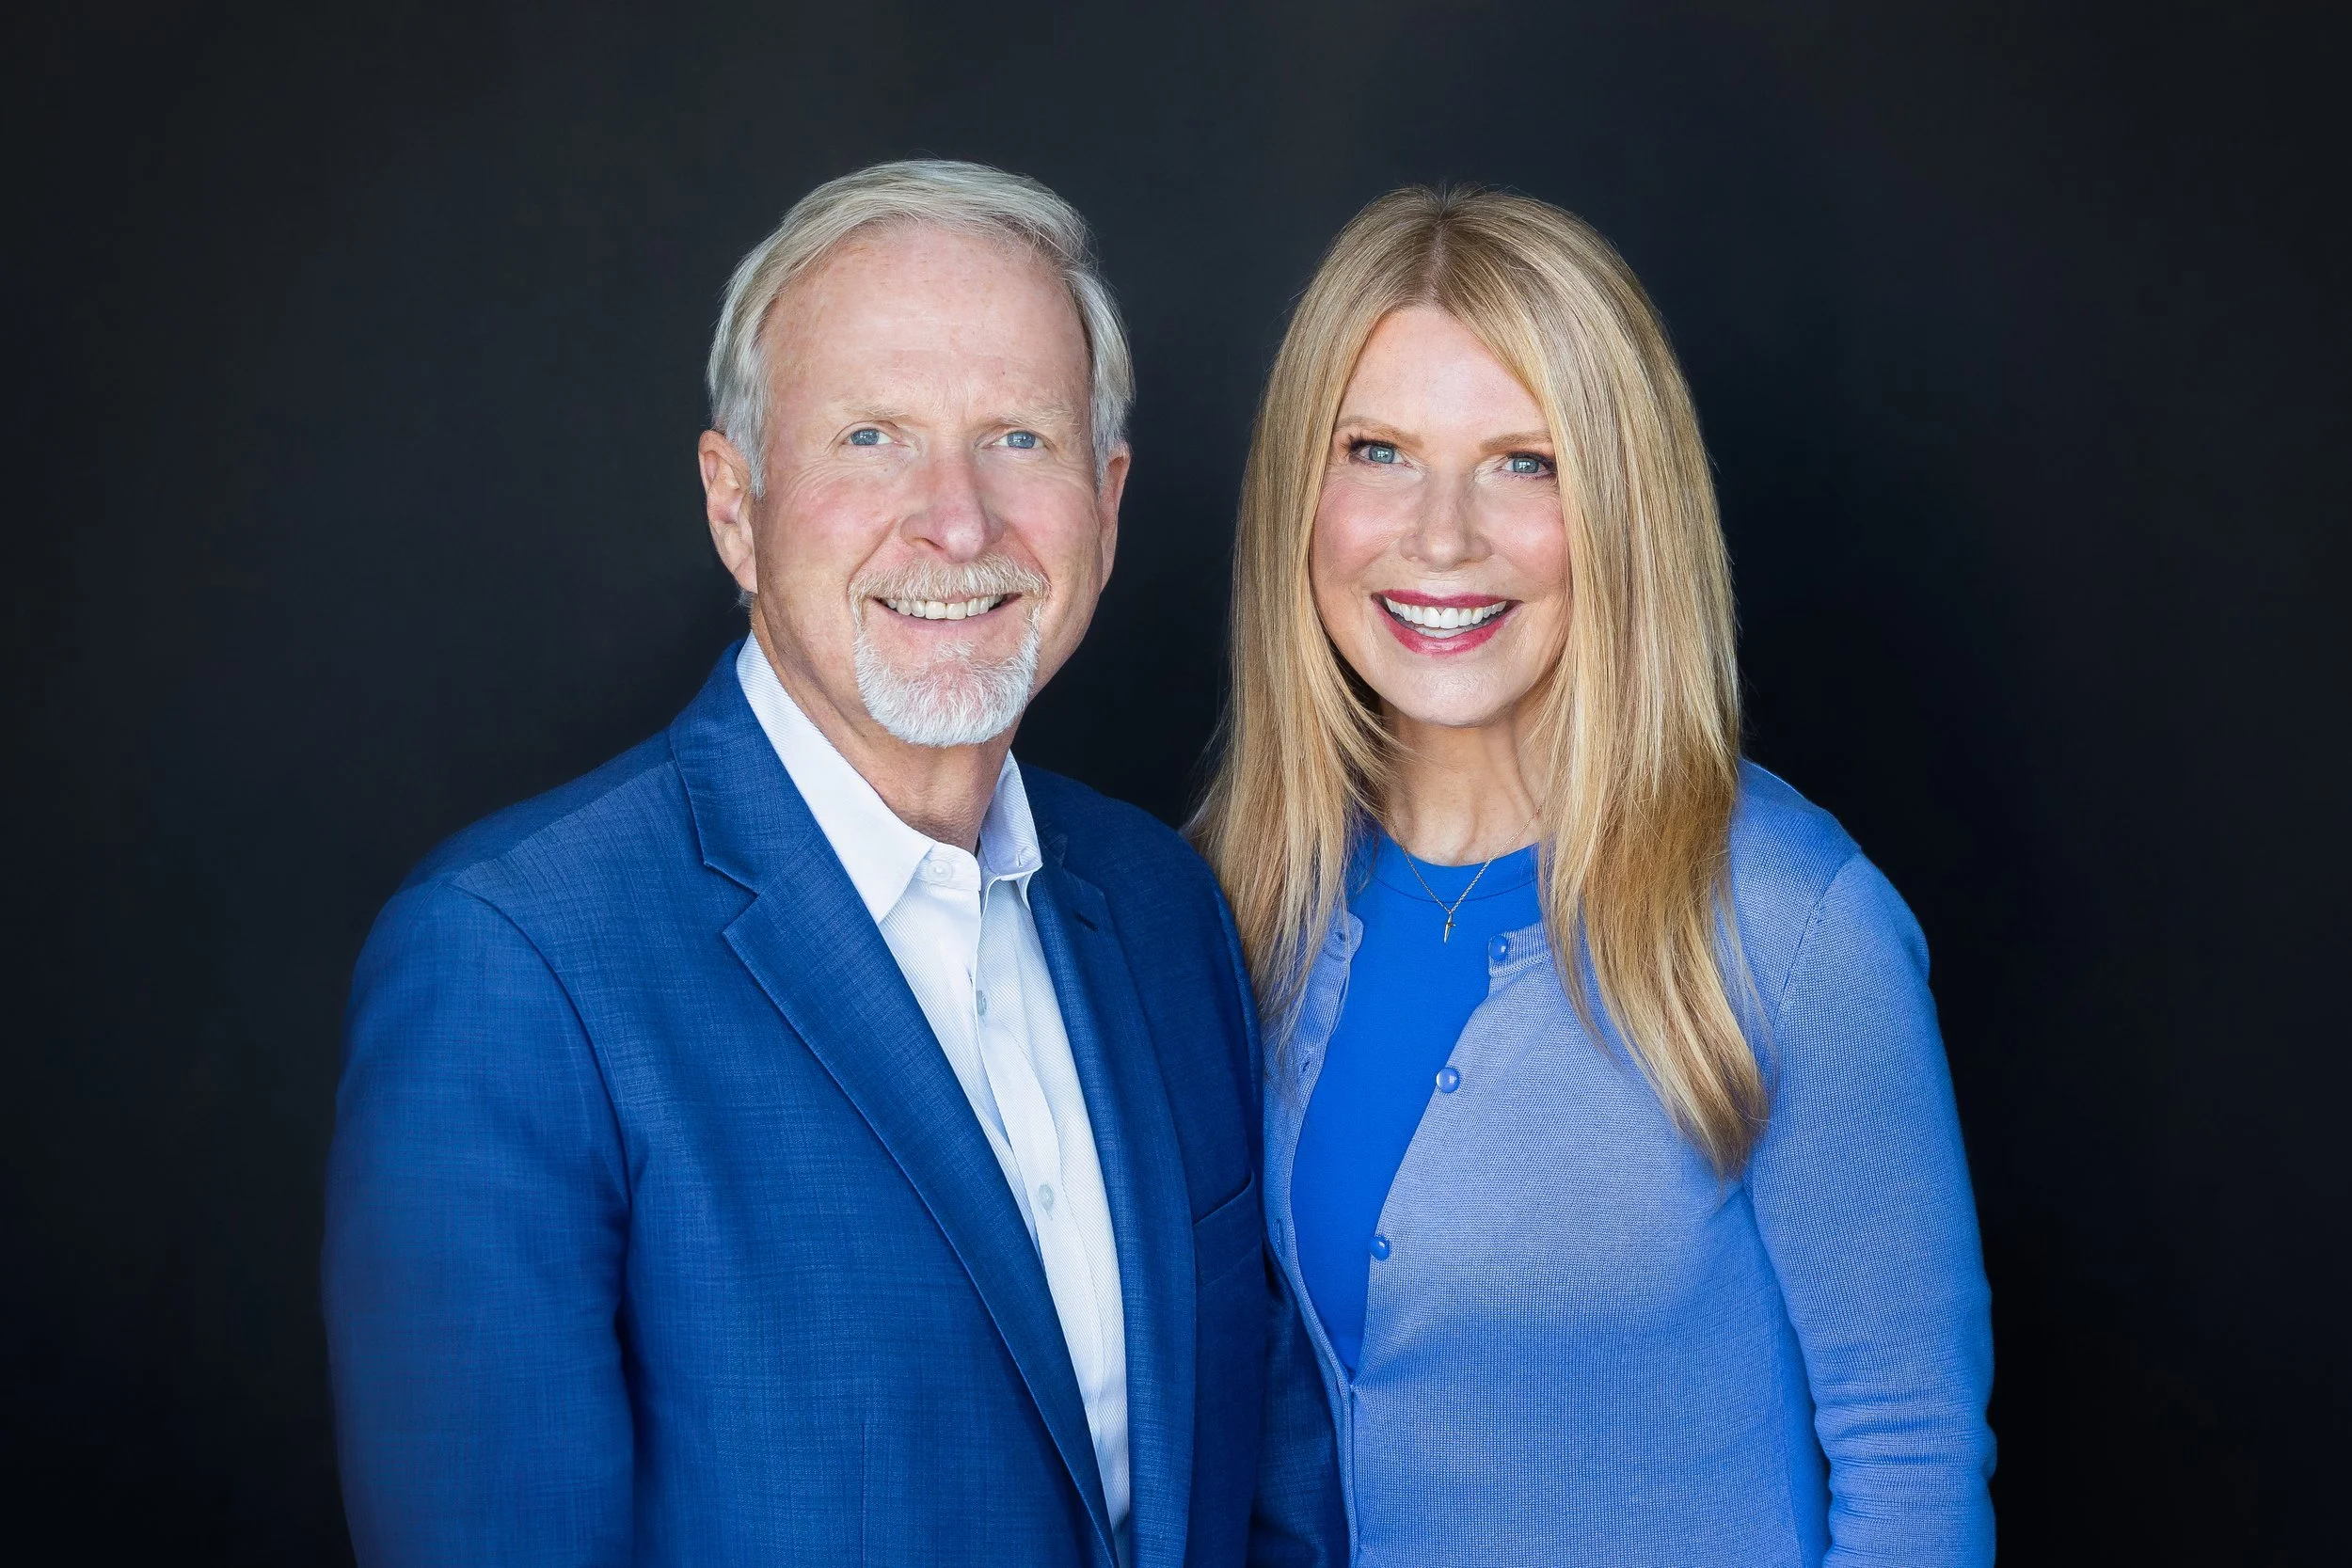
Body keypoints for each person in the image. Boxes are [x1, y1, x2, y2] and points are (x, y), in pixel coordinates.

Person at [325, 160, 1343, 1568]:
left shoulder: (1163, 907)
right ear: (733, 503)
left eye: (1021, 439)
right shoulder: (514, 966)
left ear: (1107, 504)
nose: (959, 520)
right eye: (871, 436)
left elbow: (1273, 1506)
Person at [1193, 186, 1996, 1565]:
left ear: (1624, 504)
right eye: (1378, 449)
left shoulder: (1793, 925)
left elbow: (1912, 1454)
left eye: (1526, 461)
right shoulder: (1243, 893)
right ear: (1298, 498)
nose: (1440, 537)